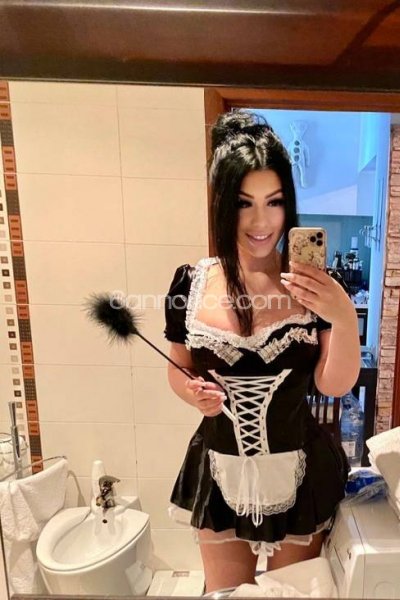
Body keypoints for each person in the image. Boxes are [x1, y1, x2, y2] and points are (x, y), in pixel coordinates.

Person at [163, 110, 360, 593]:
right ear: (221, 203)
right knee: (224, 594)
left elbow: (333, 384)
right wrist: (193, 394)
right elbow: (178, 369)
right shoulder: (190, 284)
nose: (260, 221)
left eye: (274, 202)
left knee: (289, 593)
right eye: (243, 203)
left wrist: (343, 316)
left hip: (299, 472)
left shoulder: (313, 286)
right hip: (218, 468)